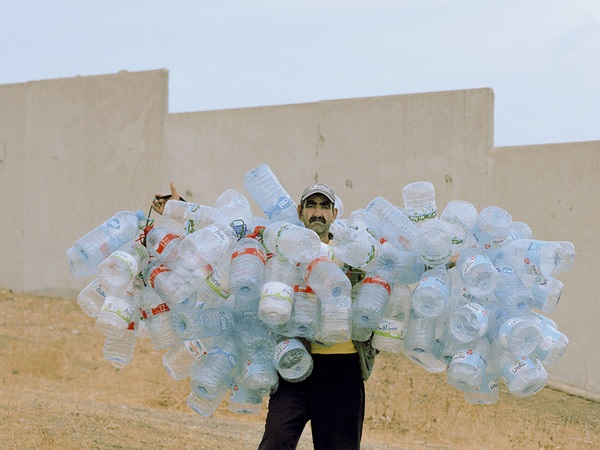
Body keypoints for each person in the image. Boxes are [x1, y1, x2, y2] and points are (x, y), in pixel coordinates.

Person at [151, 182, 377, 450]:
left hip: (341, 371)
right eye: (311, 206)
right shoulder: (280, 249)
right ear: (300, 212)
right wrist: (179, 207)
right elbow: (228, 235)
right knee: (275, 442)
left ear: (335, 214)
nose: (318, 213)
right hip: (292, 363)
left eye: (324, 206)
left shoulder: (353, 255)